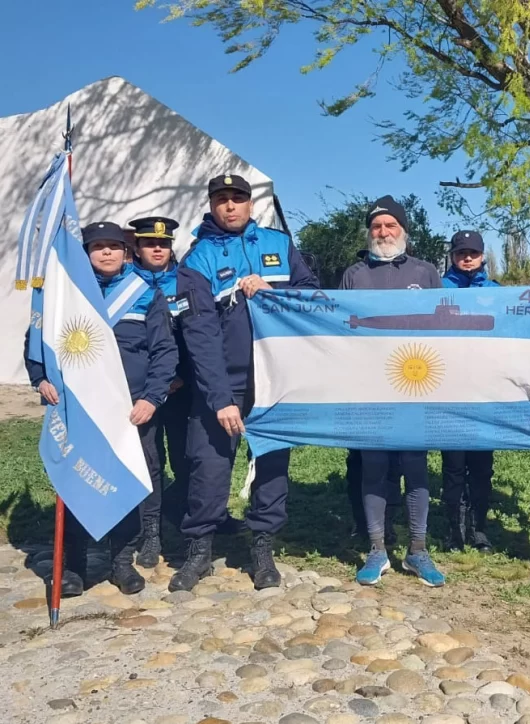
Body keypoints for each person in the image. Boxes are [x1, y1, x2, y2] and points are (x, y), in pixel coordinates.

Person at [172, 174, 319, 592]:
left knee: (272, 466)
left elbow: (312, 296)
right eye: (222, 199)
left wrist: (270, 290)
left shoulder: (279, 244)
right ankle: (199, 550)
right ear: (212, 205)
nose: (231, 206)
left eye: (238, 198)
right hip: (224, 386)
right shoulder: (196, 261)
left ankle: (262, 547)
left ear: (251, 204)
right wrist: (220, 398)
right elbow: (198, 334)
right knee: (208, 466)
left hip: (275, 382)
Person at [24, 222, 178, 596]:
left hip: (131, 410)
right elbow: (37, 342)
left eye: (113, 246)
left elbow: (164, 352)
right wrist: (40, 378)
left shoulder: (144, 294)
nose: (106, 253)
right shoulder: (67, 294)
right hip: (80, 410)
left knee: (128, 481)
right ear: (86, 253)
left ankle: (120, 561)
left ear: (126, 252)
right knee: (77, 479)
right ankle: (74, 563)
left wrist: (151, 398)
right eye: (97, 247)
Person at [340, 195, 445, 588]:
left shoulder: (427, 271)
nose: (383, 233)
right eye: (377, 227)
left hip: (416, 385)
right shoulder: (354, 274)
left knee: (416, 468)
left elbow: (445, 332)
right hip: (371, 389)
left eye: (390, 226)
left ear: (404, 230)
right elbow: (341, 329)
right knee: (375, 468)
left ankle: (418, 549)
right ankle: (377, 549)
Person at [129, 216, 191, 567]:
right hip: (143, 393)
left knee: (186, 459)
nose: (157, 248)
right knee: (149, 462)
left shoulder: (185, 281)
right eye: (150, 243)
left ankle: (181, 521)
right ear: (137, 247)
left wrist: (179, 375)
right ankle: (149, 532)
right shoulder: (125, 285)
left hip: (182, 388)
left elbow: (196, 334)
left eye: (164, 244)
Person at [440, 230, 500, 554]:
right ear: (452, 255)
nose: (467, 258)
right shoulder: (437, 290)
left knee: (481, 466)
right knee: (452, 466)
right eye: (461, 252)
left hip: (484, 392)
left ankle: (479, 529)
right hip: (448, 391)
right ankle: (453, 529)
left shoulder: (496, 293)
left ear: (481, 256)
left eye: (472, 253)